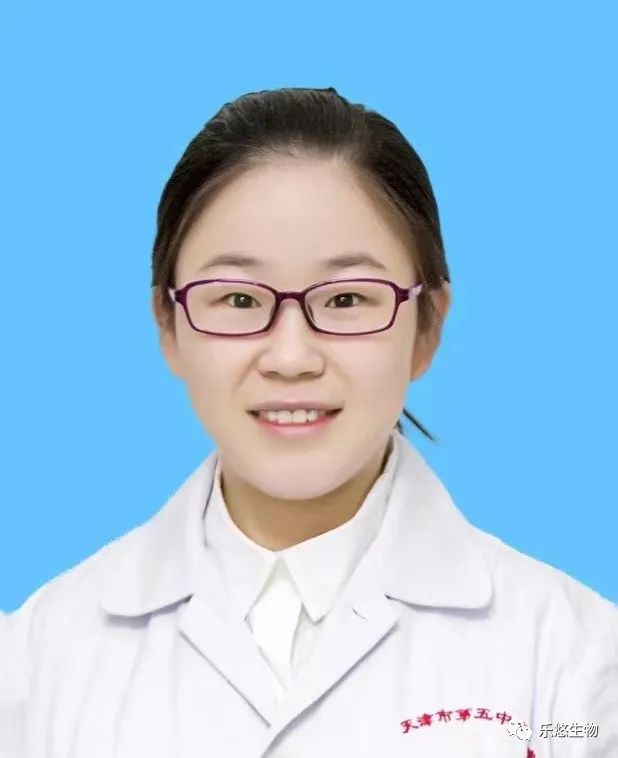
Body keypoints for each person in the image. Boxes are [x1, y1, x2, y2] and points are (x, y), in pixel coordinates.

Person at [1, 86, 616, 758]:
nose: (291, 358)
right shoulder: (35, 665)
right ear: (168, 325)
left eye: (347, 299)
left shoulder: (577, 668)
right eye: (239, 299)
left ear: (428, 327)